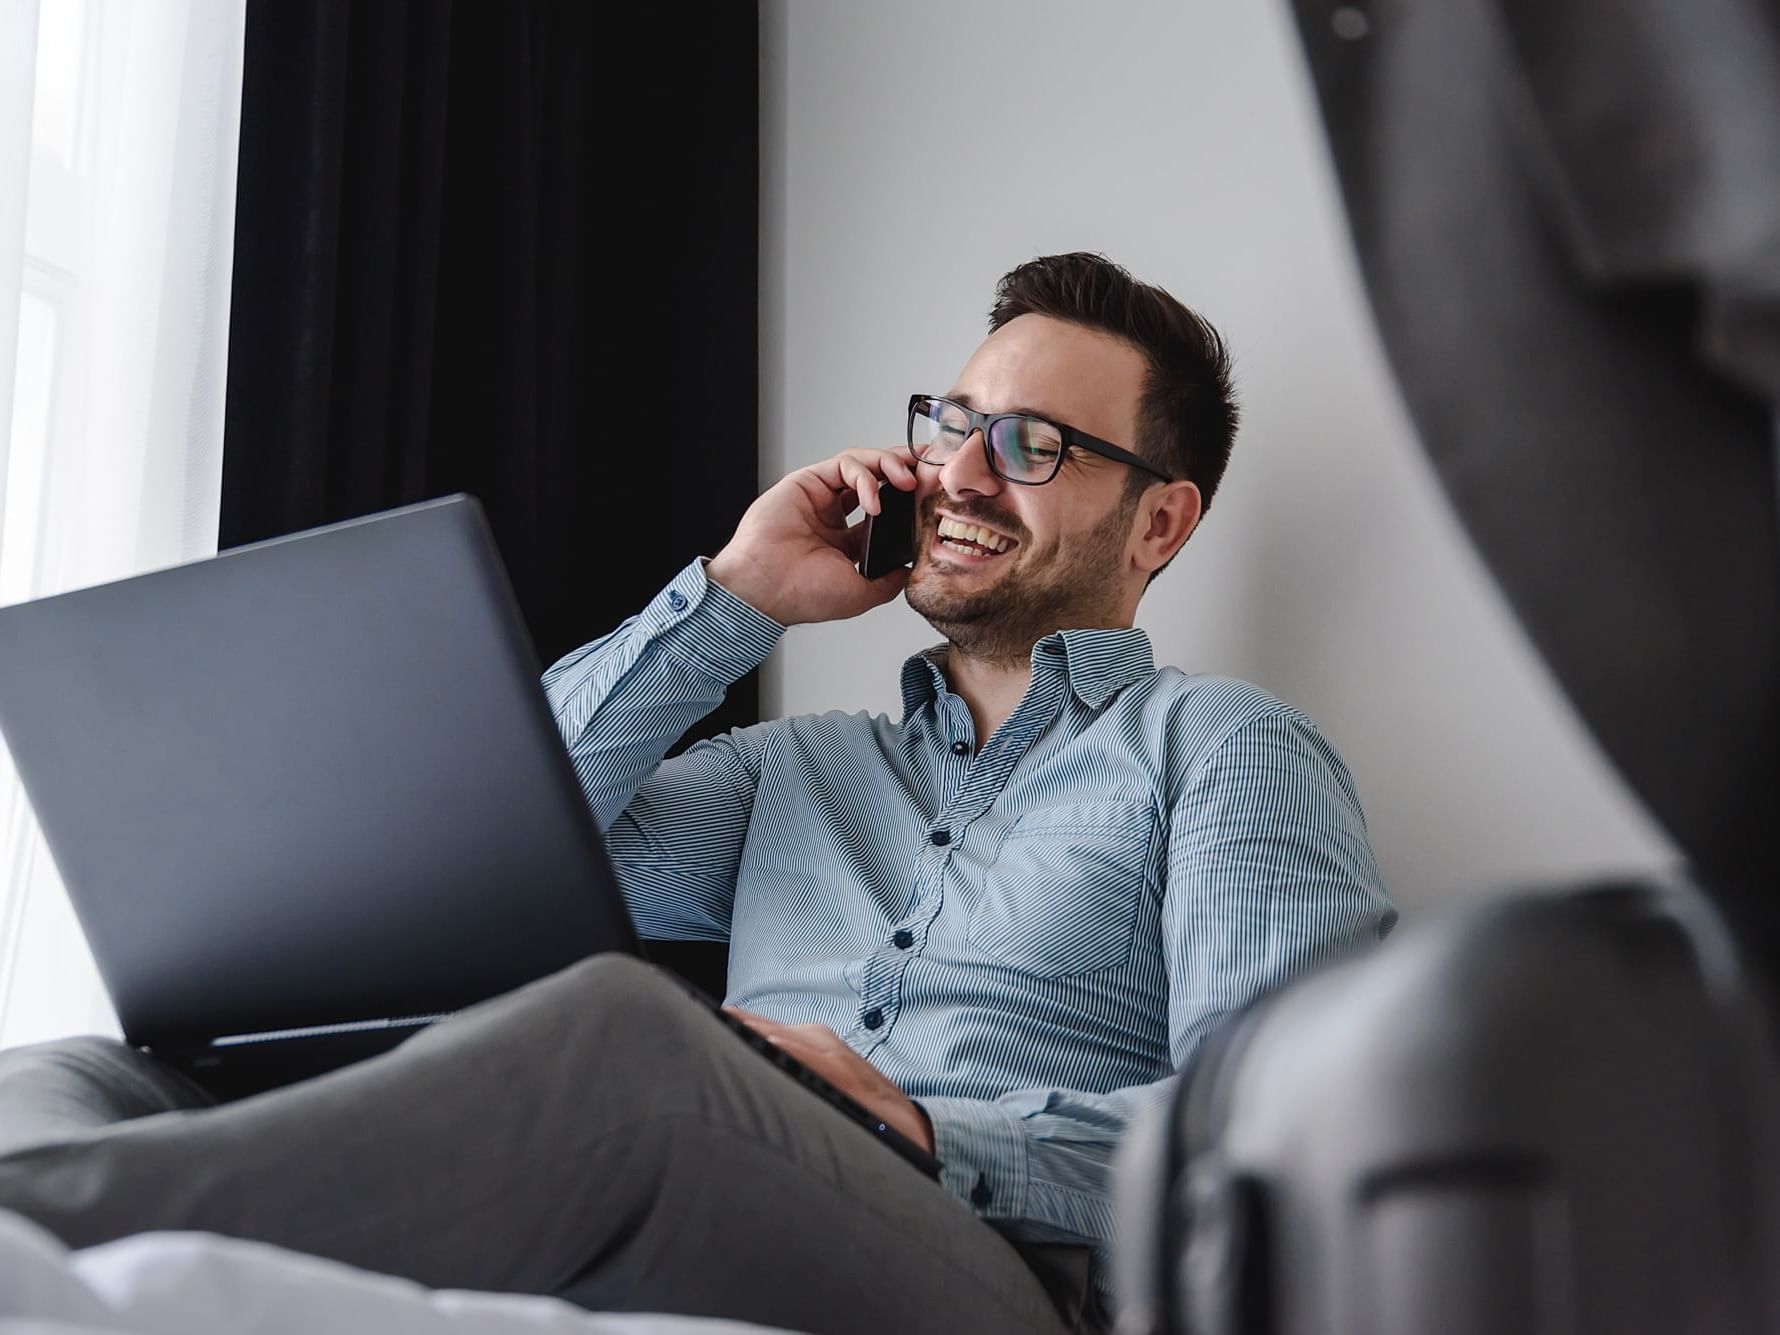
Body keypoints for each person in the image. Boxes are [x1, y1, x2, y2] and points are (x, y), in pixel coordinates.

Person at [0, 253, 1394, 1335]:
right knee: (82, 1073)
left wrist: (923, 1126)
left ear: (1158, 518)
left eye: (1033, 446)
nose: (961, 472)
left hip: (1010, 1282)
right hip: (738, 1200)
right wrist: (733, 600)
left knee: (634, 1040)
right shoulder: (801, 772)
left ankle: (39, 1239)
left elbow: (1276, 1152)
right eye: (952, 423)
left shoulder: (1223, 750)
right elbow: (475, 836)